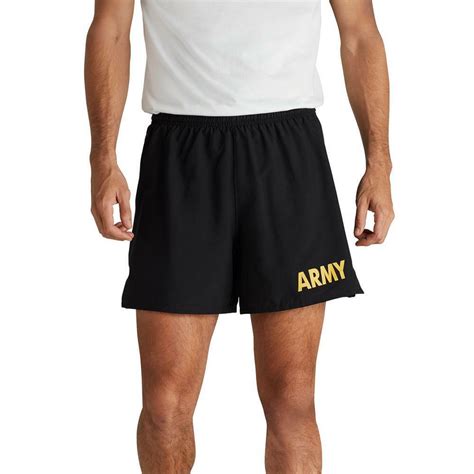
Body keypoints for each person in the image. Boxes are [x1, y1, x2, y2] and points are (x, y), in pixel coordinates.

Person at [85, 0, 394, 471]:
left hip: (287, 154)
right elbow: (109, 29)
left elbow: (360, 34)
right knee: (165, 406)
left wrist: (379, 164)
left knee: (292, 399)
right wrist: (103, 159)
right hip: (180, 156)